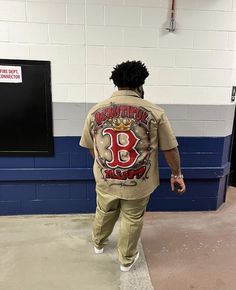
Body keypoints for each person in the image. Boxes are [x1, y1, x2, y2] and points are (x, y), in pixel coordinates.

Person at [80, 60, 186, 272]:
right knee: (132, 218)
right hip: (139, 182)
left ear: (116, 83)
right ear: (141, 84)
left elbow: (90, 147)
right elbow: (170, 149)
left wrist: (103, 166)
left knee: (104, 210)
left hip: (106, 178)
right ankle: (126, 261)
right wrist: (177, 174)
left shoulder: (95, 111)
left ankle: (98, 244)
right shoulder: (155, 112)